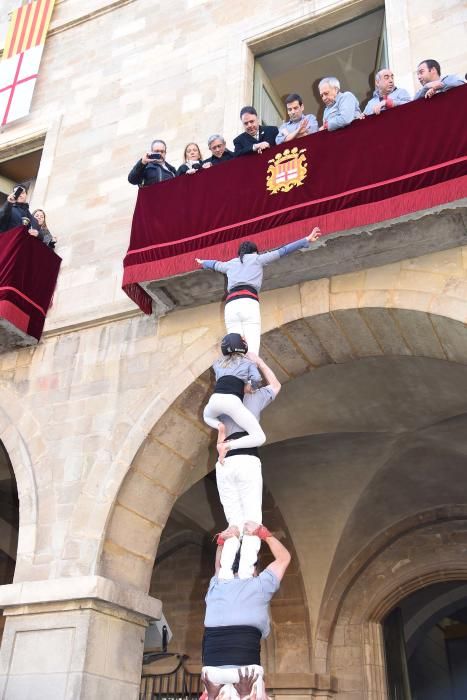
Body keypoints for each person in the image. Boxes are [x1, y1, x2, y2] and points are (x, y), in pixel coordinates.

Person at [195, 228, 322, 355]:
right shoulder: (257, 258)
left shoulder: (230, 264)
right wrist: (306, 240)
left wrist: (202, 262)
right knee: (252, 352)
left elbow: (214, 264)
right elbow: (283, 250)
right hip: (249, 303)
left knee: (234, 350)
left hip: (231, 306)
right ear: (255, 251)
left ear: (240, 253)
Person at [202, 521, 291, 699]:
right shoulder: (217, 584)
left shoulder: (252, 585)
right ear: (254, 570)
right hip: (211, 672)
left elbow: (284, 558)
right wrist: (222, 542)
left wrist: (263, 533)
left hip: (246, 670)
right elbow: (219, 567)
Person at [216, 353, 281, 581]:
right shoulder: (253, 398)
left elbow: (218, 430)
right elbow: (275, 385)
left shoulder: (224, 402)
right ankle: (245, 574)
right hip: (246, 460)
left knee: (233, 522)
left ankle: (224, 574)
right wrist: (260, 361)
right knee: (252, 520)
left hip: (224, 464)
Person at [203, 334, 265, 464]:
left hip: (214, 400)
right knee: (259, 437)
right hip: (231, 402)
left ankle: (220, 427)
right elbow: (257, 379)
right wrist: (249, 387)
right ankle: (227, 446)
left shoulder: (217, 363)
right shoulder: (248, 362)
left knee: (207, 417)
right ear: (243, 347)